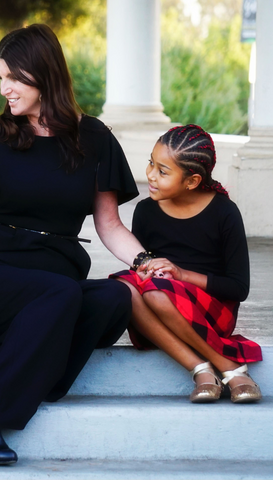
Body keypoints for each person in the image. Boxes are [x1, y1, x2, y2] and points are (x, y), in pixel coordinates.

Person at [0, 24, 146, 465]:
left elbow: (109, 225)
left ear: (43, 73)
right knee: (64, 293)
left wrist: (147, 261)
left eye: (13, 76)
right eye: (1, 77)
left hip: (54, 285)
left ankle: (1, 364)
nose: (4, 88)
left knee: (114, 296)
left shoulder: (95, 140)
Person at [112, 124, 262, 404]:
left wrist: (181, 275)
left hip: (211, 310)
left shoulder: (224, 212)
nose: (150, 176)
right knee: (123, 286)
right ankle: (201, 369)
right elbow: (141, 272)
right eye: (151, 164)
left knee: (156, 291)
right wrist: (150, 272)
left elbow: (238, 288)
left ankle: (228, 367)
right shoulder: (145, 211)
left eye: (162, 171)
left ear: (192, 181)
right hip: (160, 308)